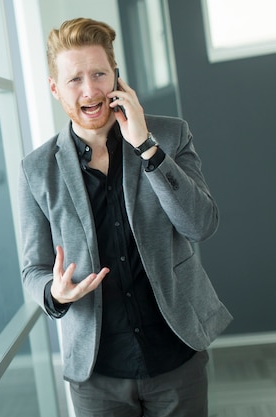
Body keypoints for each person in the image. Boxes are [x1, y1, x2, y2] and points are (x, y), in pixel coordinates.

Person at [18, 17, 232, 417]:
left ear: (116, 77)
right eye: (74, 79)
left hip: (175, 354)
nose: (89, 89)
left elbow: (200, 226)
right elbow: (33, 269)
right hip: (98, 372)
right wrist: (55, 292)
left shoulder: (169, 136)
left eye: (99, 74)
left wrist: (146, 149)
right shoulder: (36, 170)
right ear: (54, 88)